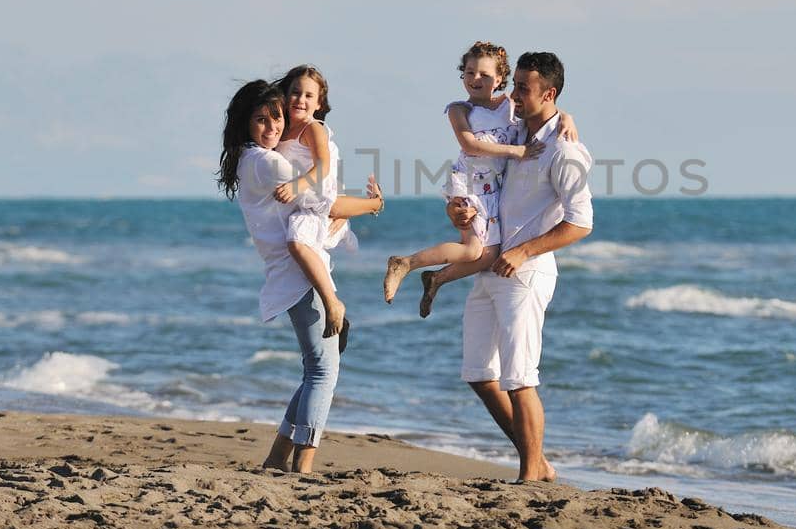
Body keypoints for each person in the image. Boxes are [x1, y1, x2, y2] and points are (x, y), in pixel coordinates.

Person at [216, 79, 381, 473]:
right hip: (300, 276)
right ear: (244, 125)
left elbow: (317, 206)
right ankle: (303, 466)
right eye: (260, 120)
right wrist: (373, 203)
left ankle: (277, 457)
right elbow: (325, 200)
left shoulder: (250, 159)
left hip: (292, 275)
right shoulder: (267, 162)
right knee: (323, 371)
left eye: (275, 117)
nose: (272, 126)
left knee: (317, 368)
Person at [452, 51, 592, 483]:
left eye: (524, 89)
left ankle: (530, 471)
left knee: (520, 377)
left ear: (548, 94)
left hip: (526, 272)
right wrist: (461, 214)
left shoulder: (566, 152)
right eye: (514, 85)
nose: (514, 94)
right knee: (479, 373)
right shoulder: (514, 128)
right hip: (491, 266)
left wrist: (525, 252)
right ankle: (539, 462)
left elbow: (581, 223)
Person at [382, 41, 577, 318]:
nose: (476, 79)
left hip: (492, 189)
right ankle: (406, 263)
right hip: (470, 184)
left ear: (499, 79)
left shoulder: (510, 105)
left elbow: (544, 103)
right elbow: (470, 144)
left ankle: (437, 279)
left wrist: (567, 117)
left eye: (484, 74)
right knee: (474, 250)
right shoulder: (459, 110)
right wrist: (517, 151)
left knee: (489, 255)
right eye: (469, 72)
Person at [270, 64, 354, 342]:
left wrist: (297, 185)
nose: (300, 100)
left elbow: (323, 167)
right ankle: (341, 323)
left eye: (308, 96)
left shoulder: (312, 128)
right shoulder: (281, 131)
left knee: (297, 241)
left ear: (319, 104)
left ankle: (333, 303)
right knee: (308, 258)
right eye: (295, 93)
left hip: (316, 203)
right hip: (302, 204)